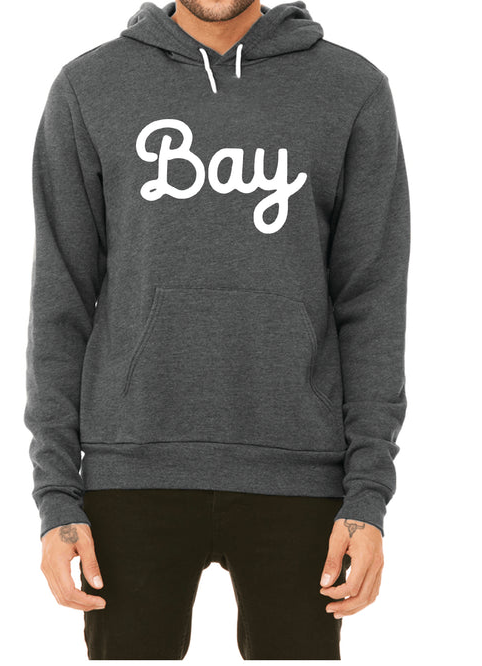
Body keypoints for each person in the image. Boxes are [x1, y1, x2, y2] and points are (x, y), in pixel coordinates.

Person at [24, 0, 410, 659]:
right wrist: (56, 498)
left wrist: (368, 495)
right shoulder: (90, 87)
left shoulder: (352, 90)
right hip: (130, 469)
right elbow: (59, 302)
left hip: (301, 474)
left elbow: (372, 305)